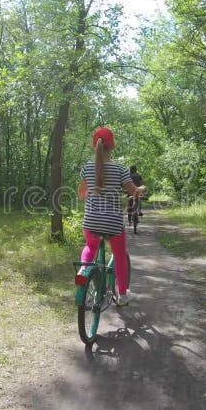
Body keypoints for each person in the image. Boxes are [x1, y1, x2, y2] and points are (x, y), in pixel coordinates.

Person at [77, 127, 146, 306]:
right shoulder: (120, 169)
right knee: (120, 255)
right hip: (113, 223)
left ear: (95, 146)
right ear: (112, 146)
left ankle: (84, 269)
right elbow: (134, 192)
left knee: (90, 246)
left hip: (91, 220)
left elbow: (81, 195)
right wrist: (142, 189)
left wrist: (93, 193)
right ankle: (122, 295)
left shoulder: (87, 168)